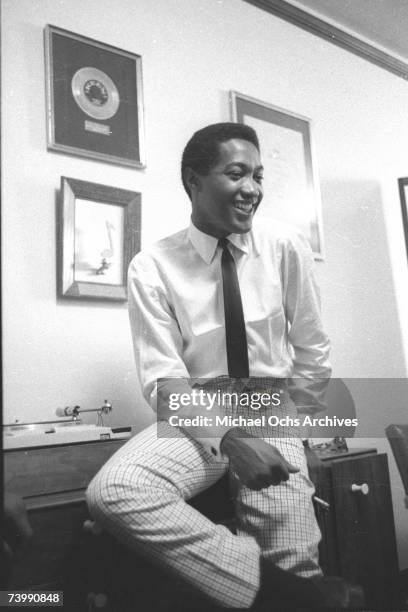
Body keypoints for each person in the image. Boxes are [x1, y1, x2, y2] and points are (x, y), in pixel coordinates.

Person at [86, 123, 363, 609]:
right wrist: (231, 441)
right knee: (114, 491)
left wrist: (301, 434)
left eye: (258, 176)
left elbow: (312, 348)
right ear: (193, 180)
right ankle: (297, 599)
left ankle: (283, 587)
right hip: (199, 420)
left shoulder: (283, 246)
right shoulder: (151, 266)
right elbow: (164, 380)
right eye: (237, 174)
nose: (252, 189)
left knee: (292, 557)